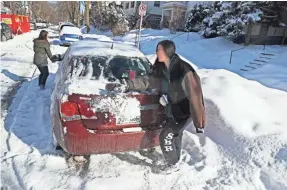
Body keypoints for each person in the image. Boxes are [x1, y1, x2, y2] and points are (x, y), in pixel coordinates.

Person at [106, 40, 206, 170]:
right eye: (157, 49)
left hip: (184, 112)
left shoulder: (184, 69)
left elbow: (195, 95)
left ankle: (172, 165)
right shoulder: (160, 67)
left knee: (165, 137)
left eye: (160, 49)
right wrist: (128, 84)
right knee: (175, 135)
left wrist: (199, 122)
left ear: (168, 51)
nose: (157, 52)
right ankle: (176, 160)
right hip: (171, 111)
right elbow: (147, 81)